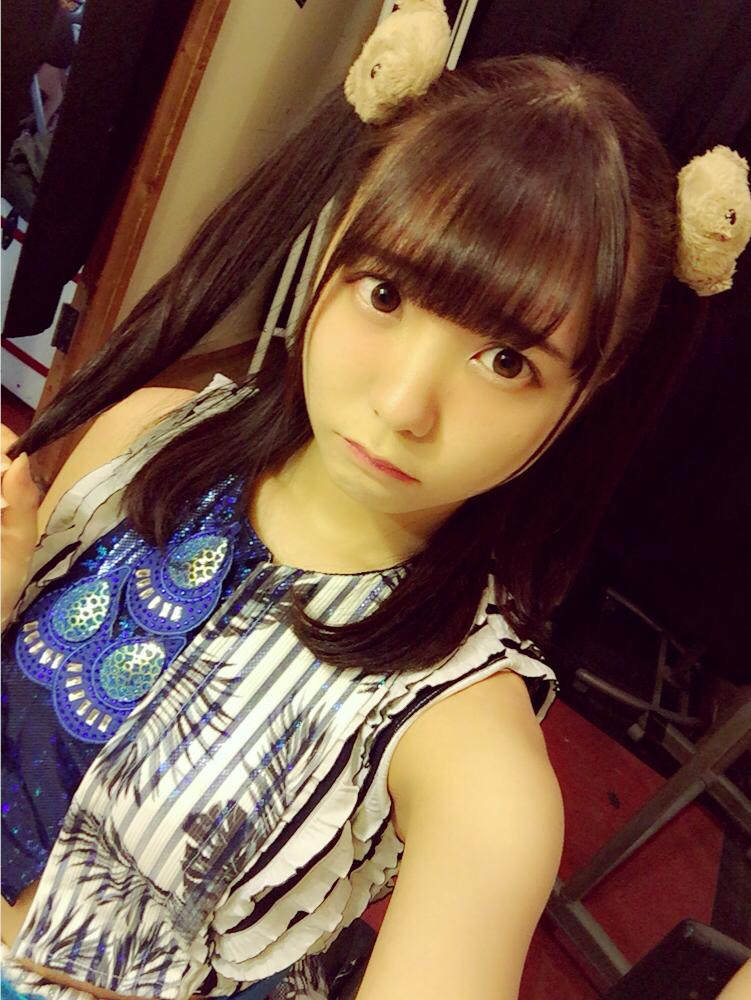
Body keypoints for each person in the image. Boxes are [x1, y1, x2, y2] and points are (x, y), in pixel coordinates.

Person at [0, 3, 739, 997]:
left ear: (584, 396)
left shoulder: (475, 758)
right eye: (385, 295)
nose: (402, 405)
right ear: (330, 250)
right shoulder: (144, 438)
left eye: (506, 360)